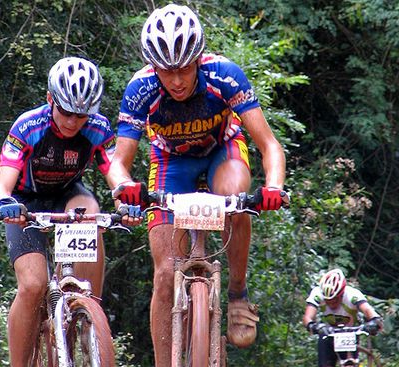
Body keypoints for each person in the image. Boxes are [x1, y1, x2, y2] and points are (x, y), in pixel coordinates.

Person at [108, 3, 288, 365]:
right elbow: (119, 162)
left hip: (222, 150)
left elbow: (269, 144)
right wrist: (123, 188)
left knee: (236, 196)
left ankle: (237, 293)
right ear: (153, 67)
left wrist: (274, 187)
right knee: (163, 274)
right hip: (170, 162)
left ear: (199, 58)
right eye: (166, 71)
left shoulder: (225, 75)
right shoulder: (141, 88)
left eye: (184, 68)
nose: (176, 81)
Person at [0, 57, 116, 367]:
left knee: (91, 213)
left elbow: (116, 173)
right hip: (25, 204)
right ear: (50, 100)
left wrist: (128, 199)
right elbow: (2, 185)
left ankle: (88, 315)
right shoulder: (29, 126)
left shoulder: (98, 128)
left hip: (67, 196)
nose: (73, 122)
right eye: (67, 112)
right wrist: (5, 204)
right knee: (33, 285)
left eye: (82, 115)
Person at [303, 268, 384, 367]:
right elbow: (308, 317)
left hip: (350, 333)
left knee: (351, 363)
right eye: (328, 301)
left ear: (342, 294)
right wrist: (313, 326)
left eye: (335, 300)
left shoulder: (353, 295)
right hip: (327, 333)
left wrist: (375, 321)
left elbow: (368, 311)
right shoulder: (317, 293)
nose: (332, 304)